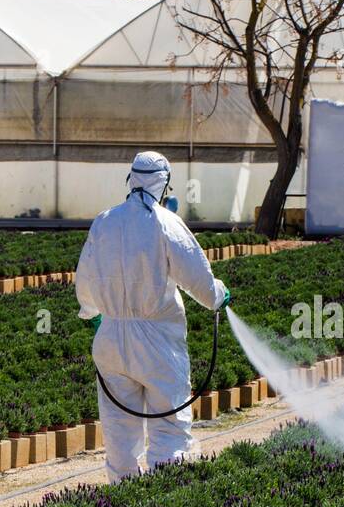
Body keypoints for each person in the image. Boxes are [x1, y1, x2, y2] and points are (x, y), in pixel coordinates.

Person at [75, 151, 230, 481]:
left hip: (111, 341)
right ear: (164, 184)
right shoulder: (166, 223)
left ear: (131, 179)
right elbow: (199, 282)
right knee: (170, 428)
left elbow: (84, 280)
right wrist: (218, 296)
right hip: (158, 342)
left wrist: (94, 314)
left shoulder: (104, 221)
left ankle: (124, 501)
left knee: (119, 433)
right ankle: (163, 501)